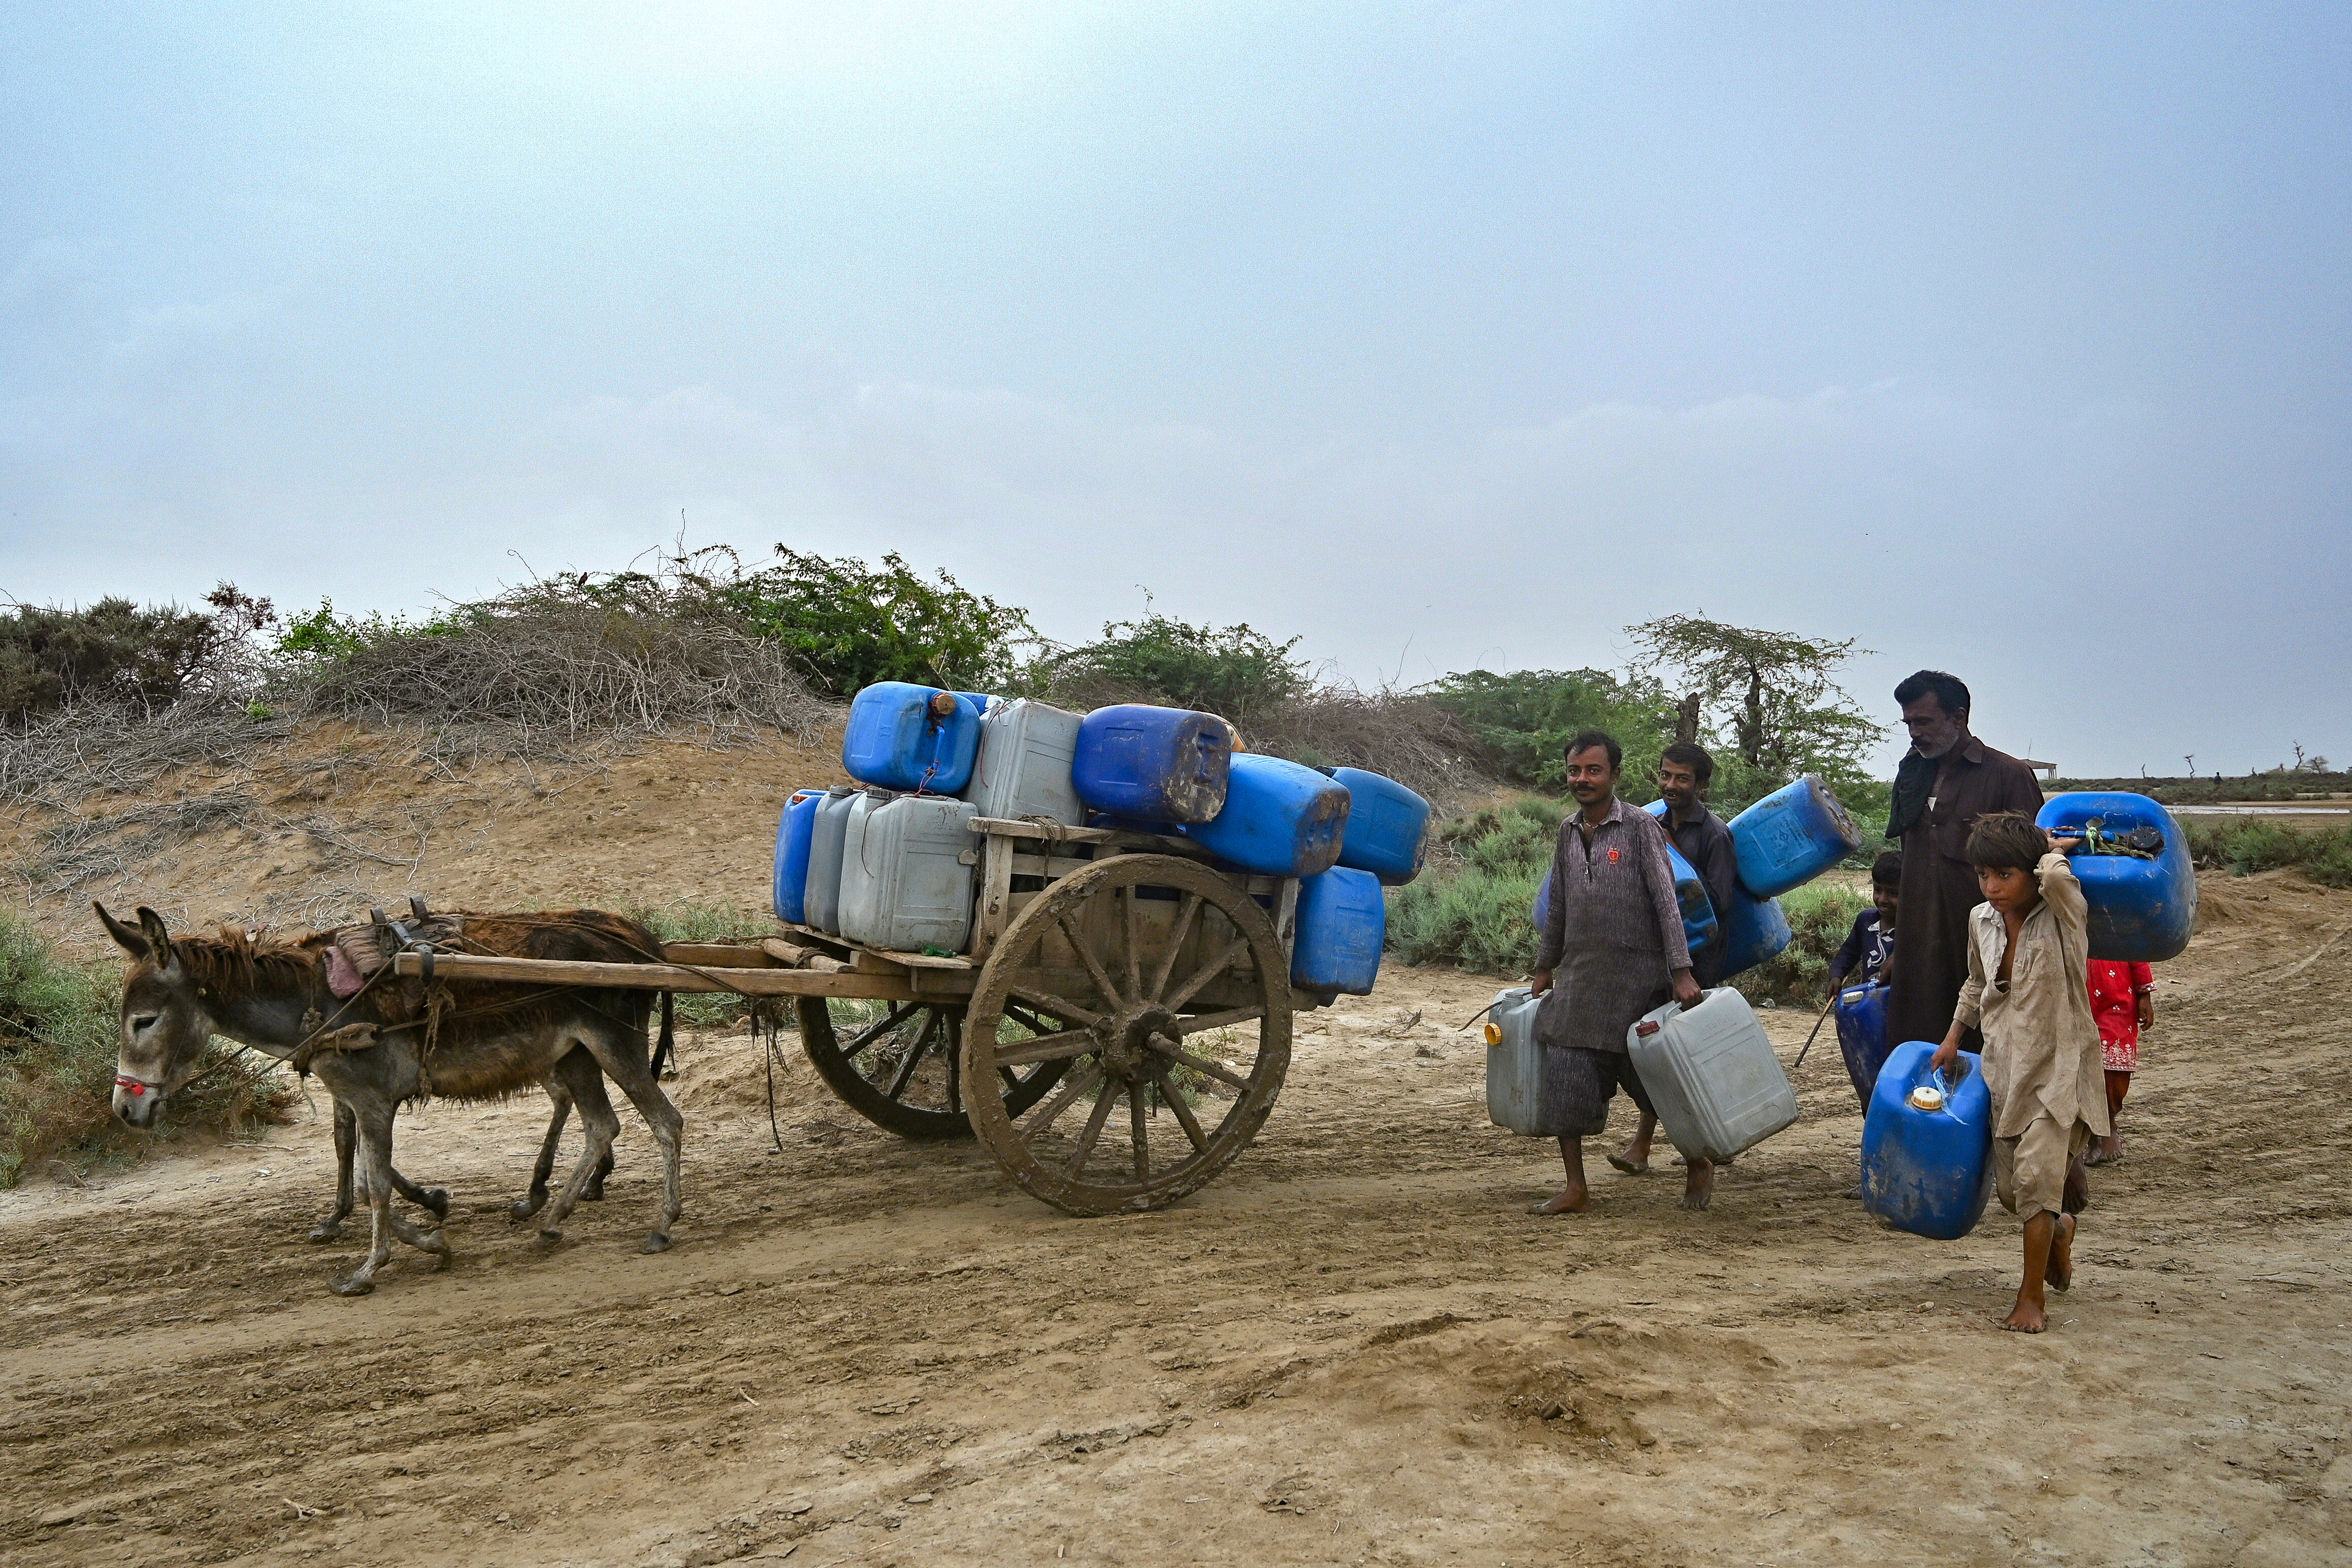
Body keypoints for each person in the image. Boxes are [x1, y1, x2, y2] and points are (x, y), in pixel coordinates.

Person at [1932, 813, 2109, 1333]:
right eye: (1983, 874)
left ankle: (2030, 1298)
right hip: (2004, 1068)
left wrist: (2050, 851)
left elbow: (2056, 879)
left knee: (2034, 1182)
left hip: (2059, 1066)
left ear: (2031, 873)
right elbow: (1975, 982)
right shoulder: (1980, 919)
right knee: (2013, 1192)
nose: (1991, 887)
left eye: (2004, 874)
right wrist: (1951, 1036)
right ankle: (2058, 1232)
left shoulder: (2063, 914)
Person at [1528, 731, 1709, 1215]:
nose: (1582, 779)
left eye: (1593, 770)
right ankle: (1576, 1187)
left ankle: (1697, 1162)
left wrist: (1680, 970)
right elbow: (1559, 907)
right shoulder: (1567, 831)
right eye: (1574, 771)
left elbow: (1666, 903)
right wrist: (1545, 967)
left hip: (1639, 981)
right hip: (1582, 981)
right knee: (1565, 1077)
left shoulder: (1640, 827)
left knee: (1658, 1084)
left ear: (1615, 775)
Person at [1884, 671, 2045, 1055]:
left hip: (1986, 948)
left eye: (1924, 721)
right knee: (1915, 1055)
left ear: (1959, 718)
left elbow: (2036, 873)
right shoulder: (1912, 774)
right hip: (1919, 948)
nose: (1914, 733)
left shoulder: (2008, 775)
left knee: (1989, 1053)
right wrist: (1899, 948)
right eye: (1908, 723)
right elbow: (1911, 862)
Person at [1610, 741, 1738, 1177]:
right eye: (1665, 775)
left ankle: (1687, 1153)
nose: (1671, 785)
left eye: (1682, 778)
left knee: (1684, 1052)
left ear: (1701, 784)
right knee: (1653, 1048)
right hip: (1654, 955)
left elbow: (1719, 902)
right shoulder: (1651, 823)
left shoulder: (1716, 834)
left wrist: (1674, 852)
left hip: (1697, 960)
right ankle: (1649, 1146)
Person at [2084, 959, 2155, 1166]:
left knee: (2114, 1067)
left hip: (2119, 996)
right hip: (2076, 994)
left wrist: (2145, 995)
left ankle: (2108, 1123)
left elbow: (2137, 949)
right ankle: (2092, 1132)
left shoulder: (2123, 926)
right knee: (2084, 1067)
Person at [1828, 849, 1902, 993]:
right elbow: (1848, 953)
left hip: (1898, 1006)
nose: (1882, 900)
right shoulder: (1865, 921)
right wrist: (1836, 976)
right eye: (1878, 890)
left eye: (1893, 893)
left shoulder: (1914, 930)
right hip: (1869, 1004)